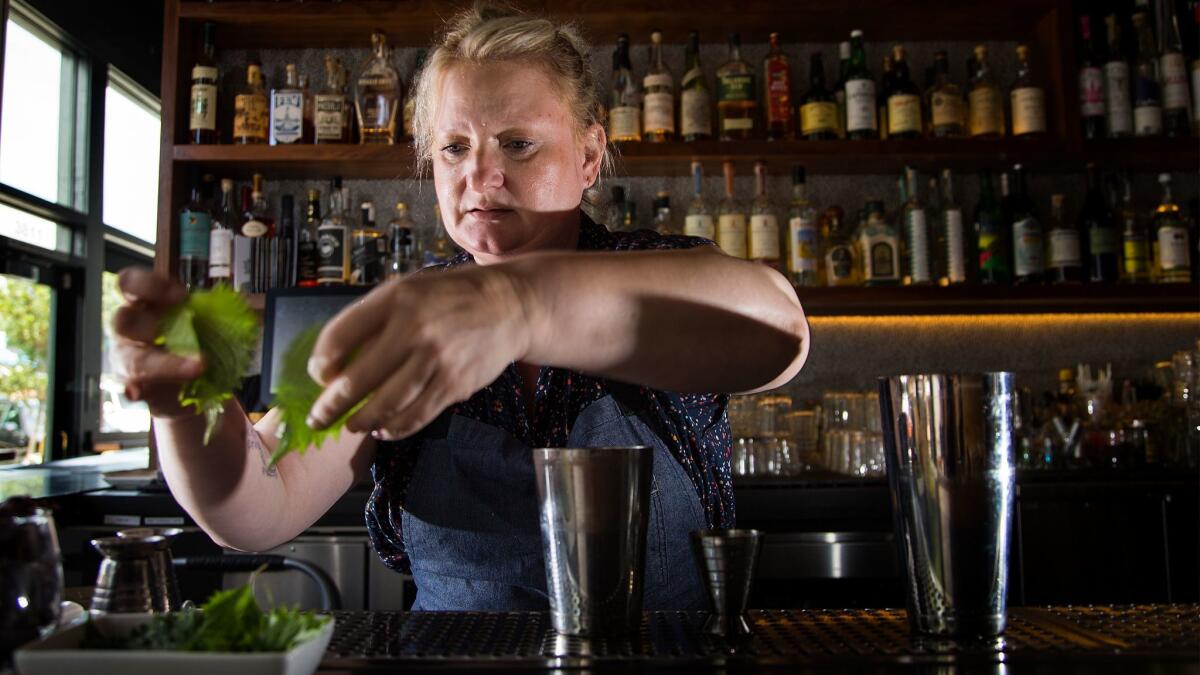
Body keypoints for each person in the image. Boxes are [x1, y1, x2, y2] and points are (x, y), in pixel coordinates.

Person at [113, 5, 809, 611]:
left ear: (591, 154)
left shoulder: (657, 269)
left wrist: (516, 304)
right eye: (454, 147)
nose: (481, 174)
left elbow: (779, 329)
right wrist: (187, 409)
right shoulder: (409, 316)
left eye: (518, 143)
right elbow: (257, 508)